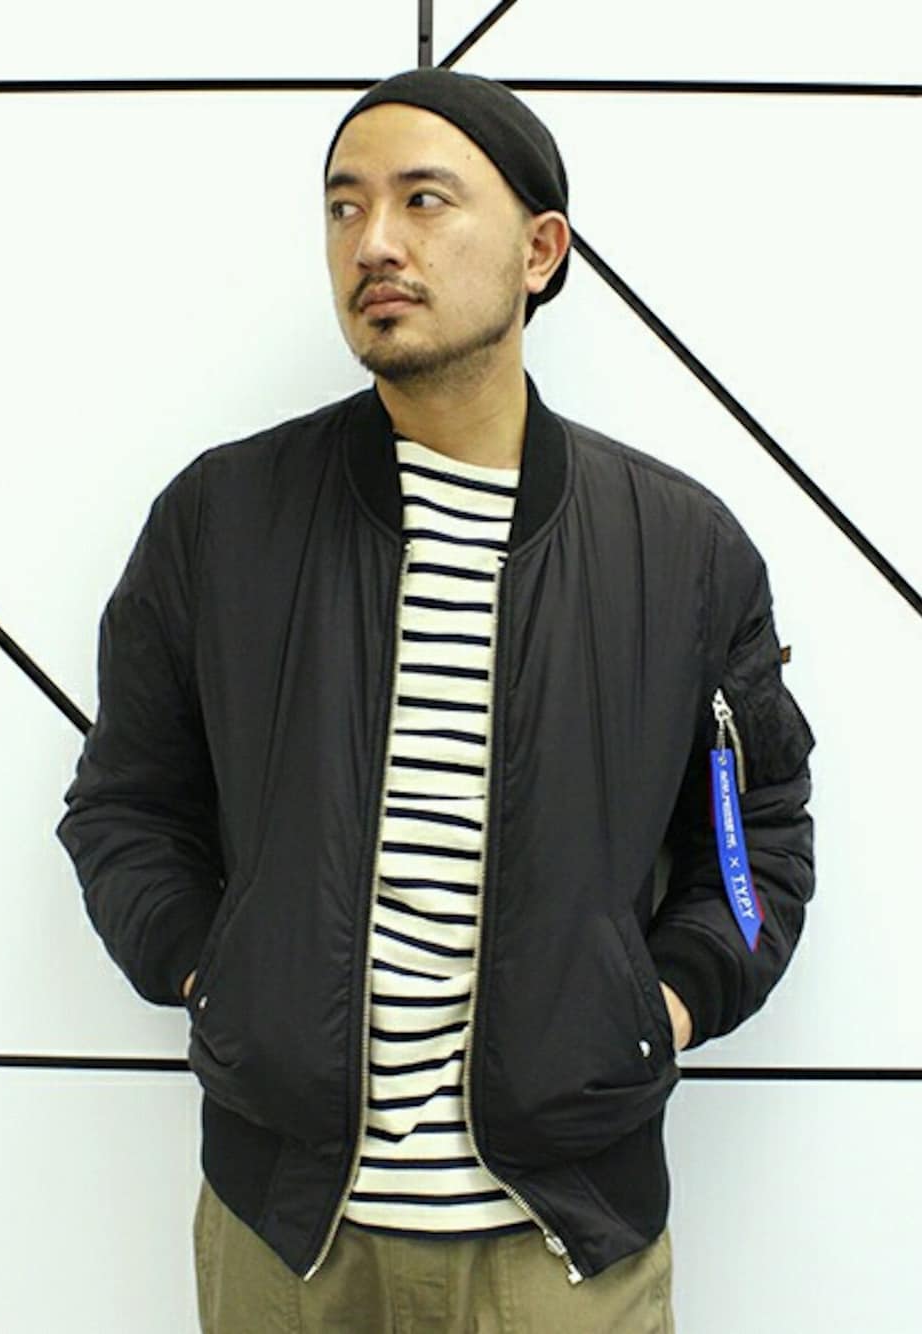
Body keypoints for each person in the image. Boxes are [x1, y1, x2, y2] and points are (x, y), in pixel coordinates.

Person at [56, 67, 815, 1333]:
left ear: (539, 249)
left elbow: (758, 836)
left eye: (423, 199)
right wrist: (208, 972)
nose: (375, 242)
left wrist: (667, 1000)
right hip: (285, 1235)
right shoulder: (220, 520)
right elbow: (126, 805)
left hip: (567, 1240)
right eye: (344, 207)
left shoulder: (680, 550)